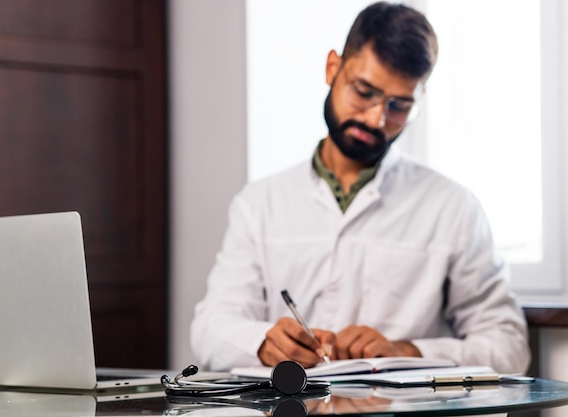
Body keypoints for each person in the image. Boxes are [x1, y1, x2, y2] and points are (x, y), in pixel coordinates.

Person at [191, 1, 530, 374]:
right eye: (364, 91)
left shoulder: (454, 207)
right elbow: (210, 329)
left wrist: (407, 351)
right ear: (332, 68)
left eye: (399, 106)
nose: (376, 118)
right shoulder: (259, 204)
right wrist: (262, 343)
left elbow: (508, 348)